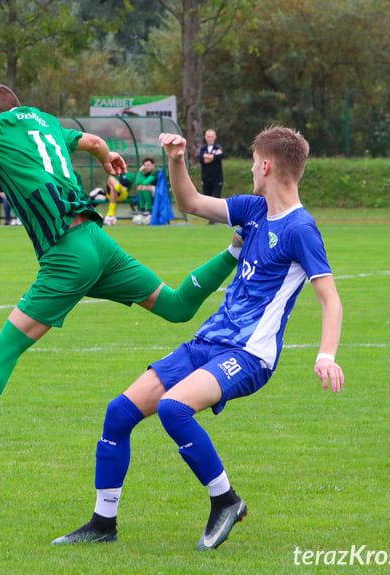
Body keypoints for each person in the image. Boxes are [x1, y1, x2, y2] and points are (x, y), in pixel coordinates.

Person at [0, 39, 242, 477]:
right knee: (177, 306)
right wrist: (107, 159)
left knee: (3, 349)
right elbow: (90, 139)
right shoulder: (44, 122)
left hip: (67, 254)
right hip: (96, 243)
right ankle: (236, 246)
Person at [52, 126, 344, 551]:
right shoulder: (253, 209)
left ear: (266, 165)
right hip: (208, 342)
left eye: (252, 162)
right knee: (119, 413)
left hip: (248, 354)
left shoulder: (301, 229)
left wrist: (325, 354)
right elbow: (190, 202)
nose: (249, 169)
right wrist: (176, 159)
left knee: (173, 409)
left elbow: (330, 299)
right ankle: (103, 522)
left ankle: (226, 500)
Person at [199, 129, 224, 225]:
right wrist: (213, 156)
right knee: (207, 199)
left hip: (217, 178)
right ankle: (211, 219)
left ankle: (217, 219)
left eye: (211, 136)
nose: (210, 138)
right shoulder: (203, 148)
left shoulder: (218, 147)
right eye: (208, 136)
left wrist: (208, 156)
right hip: (206, 178)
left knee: (217, 198)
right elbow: (202, 160)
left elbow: (220, 156)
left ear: (215, 137)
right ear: (205, 137)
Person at [133, 157, 157, 222]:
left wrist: (143, 182)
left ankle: (150, 209)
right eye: (145, 166)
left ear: (153, 165)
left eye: (148, 165)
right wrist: (140, 171)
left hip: (160, 192)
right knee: (139, 187)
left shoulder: (156, 171)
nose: (147, 167)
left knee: (144, 187)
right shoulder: (146, 173)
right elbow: (137, 182)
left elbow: (146, 183)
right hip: (151, 191)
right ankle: (142, 208)